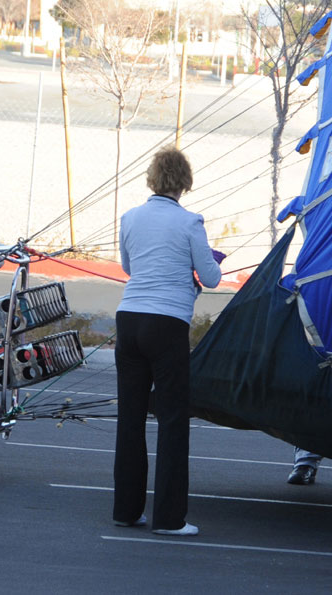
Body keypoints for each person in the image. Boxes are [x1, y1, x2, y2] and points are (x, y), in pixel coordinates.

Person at [113, 147, 224, 536]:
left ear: (152, 178)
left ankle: (126, 511)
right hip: (167, 324)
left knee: (130, 419)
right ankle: (169, 518)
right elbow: (210, 278)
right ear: (185, 182)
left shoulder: (130, 217)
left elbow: (129, 266)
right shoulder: (191, 222)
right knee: (173, 420)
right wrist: (209, 260)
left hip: (129, 320)